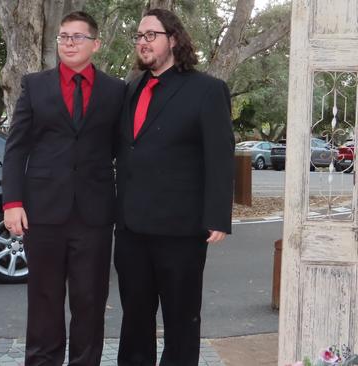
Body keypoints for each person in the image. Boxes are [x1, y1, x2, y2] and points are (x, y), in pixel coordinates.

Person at [1, 11, 126, 366]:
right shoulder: (34, 85)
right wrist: (12, 201)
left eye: (77, 37)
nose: (68, 43)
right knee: (44, 300)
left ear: (96, 44)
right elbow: (17, 147)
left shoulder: (116, 91)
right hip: (43, 212)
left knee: (89, 301)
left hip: (95, 215)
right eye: (63, 37)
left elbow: (124, 149)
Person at [114, 8, 234, 366]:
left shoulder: (207, 90)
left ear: (174, 40)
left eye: (151, 35)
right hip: (131, 228)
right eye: (139, 36)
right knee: (134, 319)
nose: (143, 42)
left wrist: (217, 215)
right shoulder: (131, 87)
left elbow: (220, 155)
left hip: (180, 231)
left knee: (181, 321)